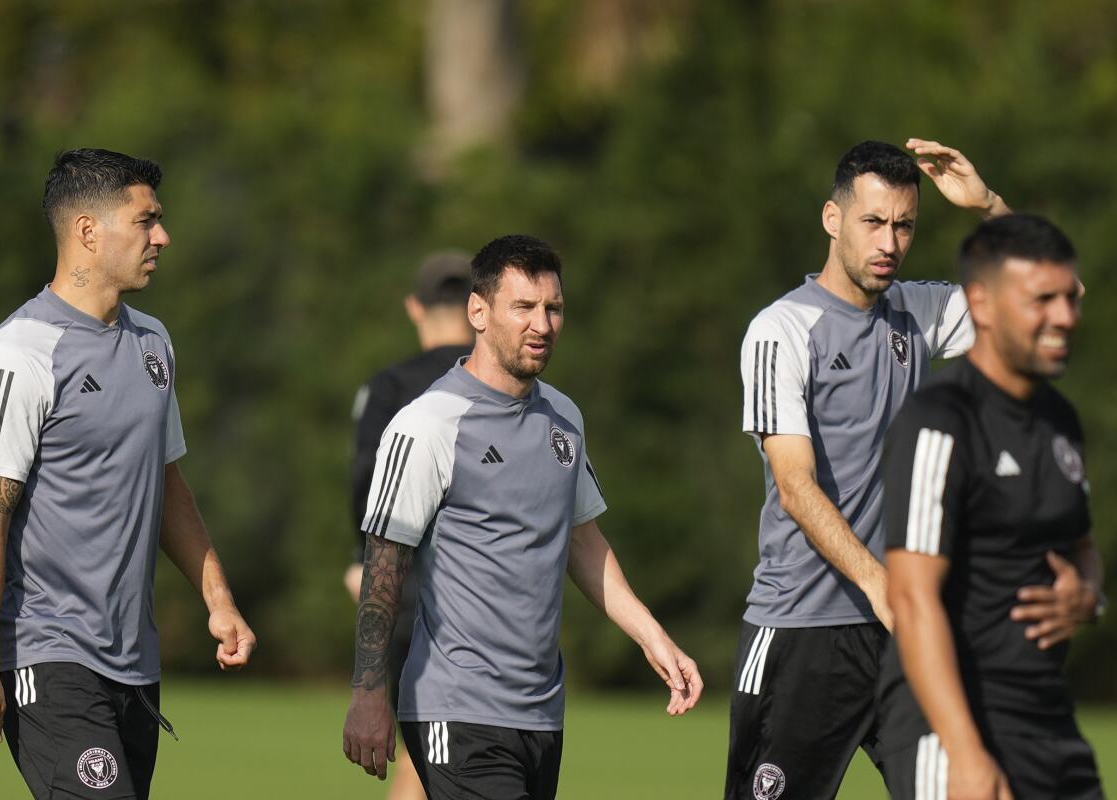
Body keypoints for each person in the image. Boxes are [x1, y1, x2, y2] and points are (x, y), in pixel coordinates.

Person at [726, 140, 1098, 800]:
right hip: (803, 631)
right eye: (873, 222)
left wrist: (986, 204)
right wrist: (878, 582)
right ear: (832, 219)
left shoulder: (917, 313)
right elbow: (794, 484)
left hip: (908, 632)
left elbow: (1049, 297)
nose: (889, 242)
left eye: (904, 225)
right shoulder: (781, 330)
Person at [0, 148, 256, 799]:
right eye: (146, 222)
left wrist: (217, 597)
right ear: (88, 231)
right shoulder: (19, 354)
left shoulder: (153, 345)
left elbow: (166, 483)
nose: (162, 237)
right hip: (48, 656)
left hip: (135, 666)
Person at [342, 234, 702, 799]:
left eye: (553, 308)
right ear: (478, 312)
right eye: (524, 308)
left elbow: (583, 544)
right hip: (455, 708)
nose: (542, 324)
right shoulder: (429, 423)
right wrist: (368, 694)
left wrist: (653, 637)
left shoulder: (563, 417)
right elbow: (383, 562)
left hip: (540, 715)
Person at [878, 214, 1105, 800]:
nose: (1064, 316)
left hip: (1048, 723)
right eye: (1042, 301)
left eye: (1067, 298)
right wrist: (967, 754)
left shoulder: (1060, 420)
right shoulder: (940, 421)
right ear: (981, 304)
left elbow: (1081, 551)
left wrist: (1086, 595)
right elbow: (911, 595)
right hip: (951, 729)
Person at [343, 249, 475, 800]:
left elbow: (366, 481)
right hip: (482, 600)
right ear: (478, 307)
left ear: (414, 308)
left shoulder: (391, 386)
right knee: (443, 761)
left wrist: (359, 559)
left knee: (421, 760)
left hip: (404, 593)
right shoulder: (500, 388)